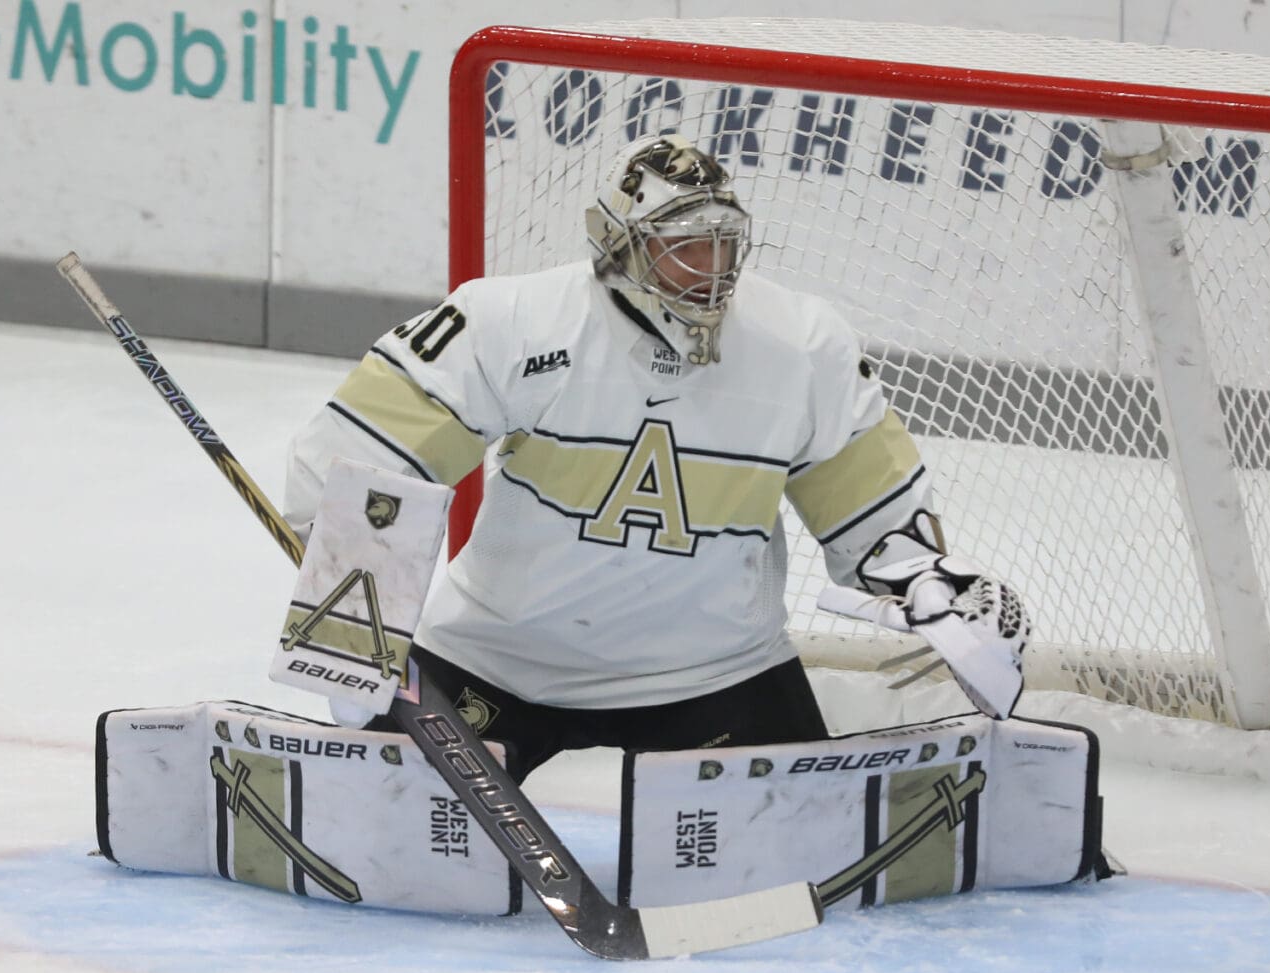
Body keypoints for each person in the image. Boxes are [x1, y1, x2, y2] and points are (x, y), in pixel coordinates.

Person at [284, 134, 1026, 781]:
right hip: (497, 658)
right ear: (621, 247)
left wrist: (927, 584)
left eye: (723, 242)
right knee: (382, 837)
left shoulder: (802, 346)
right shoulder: (511, 321)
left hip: (713, 673)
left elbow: (871, 513)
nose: (711, 268)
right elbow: (363, 462)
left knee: (804, 862)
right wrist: (349, 628)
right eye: (682, 246)